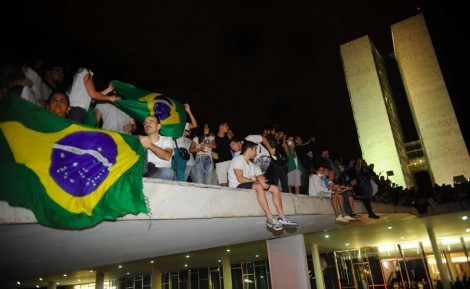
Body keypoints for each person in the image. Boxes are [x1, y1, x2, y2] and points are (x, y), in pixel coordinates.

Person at [228, 140, 298, 231]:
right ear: (250, 150)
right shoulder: (238, 159)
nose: (256, 152)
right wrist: (259, 184)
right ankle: (270, 218)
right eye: (255, 150)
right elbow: (240, 178)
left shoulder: (251, 165)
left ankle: (282, 217)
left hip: (246, 184)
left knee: (275, 188)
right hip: (237, 186)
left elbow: (253, 180)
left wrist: (261, 181)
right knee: (259, 186)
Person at [139, 115, 174, 180]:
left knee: (168, 173)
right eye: (145, 122)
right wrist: (138, 137)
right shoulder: (139, 140)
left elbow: (167, 156)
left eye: (151, 121)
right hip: (143, 173)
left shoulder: (167, 140)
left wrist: (149, 145)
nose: (147, 124)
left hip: (159, 174)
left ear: (158, 126)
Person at [214, 121, 233, 186]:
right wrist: (211, 152)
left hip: (229, 161)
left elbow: (234, 147)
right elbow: (208, 146)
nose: (228, 127)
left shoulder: (228, 137)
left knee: (232, 180)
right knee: (223, 184)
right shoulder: (214, 137)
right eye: (226, 126)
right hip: (220, 162)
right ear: (221, 126)